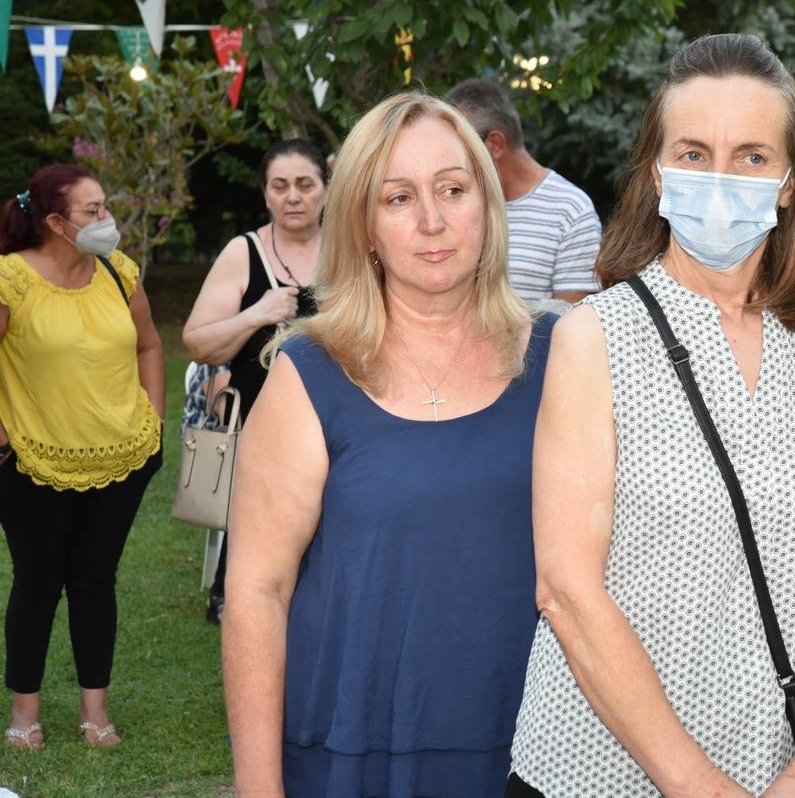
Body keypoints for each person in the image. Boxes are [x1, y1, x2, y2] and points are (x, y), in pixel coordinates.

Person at [507, 33, 795, 798]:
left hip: (780, 760)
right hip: (599, 771)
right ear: (655, 172)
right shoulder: (594, 336)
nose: (718, 179)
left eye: (750, 156)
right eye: (693, 152)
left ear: (788, 183)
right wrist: (698, 786)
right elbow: (566, 590)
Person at [221, 92, 550, 798]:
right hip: (352, 748)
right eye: (398, 198)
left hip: (535, 749)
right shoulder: (310, 374)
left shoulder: (563, 358)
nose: (432, 220)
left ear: (487, 205)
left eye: (452, 190)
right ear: (364, 227)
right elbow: (257, 594)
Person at [0, 165, 164, 748]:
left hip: (121, 459)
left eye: (106, 207)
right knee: (37, 583)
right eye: (93, 211)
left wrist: (154, 421)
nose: (107, 220)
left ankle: (96, 712)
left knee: (95, 581)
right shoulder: (12, 279)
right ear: (54, 222)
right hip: (33, 462)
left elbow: (150, 344)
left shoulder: (120, 272)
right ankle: (25, 714)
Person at [182, 140, 327, 623]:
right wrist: (257, 313)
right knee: (260, 554)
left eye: (305, 184)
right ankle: (240, 604)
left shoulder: (351, 250)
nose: (293, 197)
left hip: (338, 427)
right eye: (280, 186)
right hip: (261, 435)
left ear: (326, 189)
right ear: (265, 194)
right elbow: (198, 343)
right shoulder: (244, 253)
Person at [448, 77, 601, 304]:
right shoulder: (453, 203)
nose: (448, 159)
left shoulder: (571, 210)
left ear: (494, 144)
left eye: (459, 147)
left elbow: (571, 317)